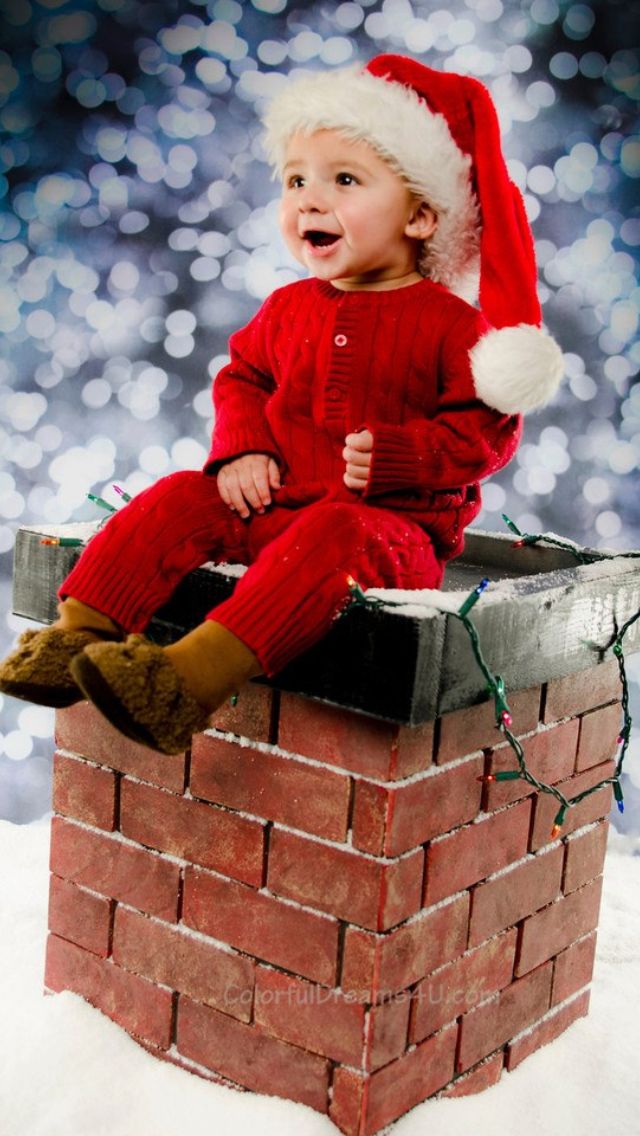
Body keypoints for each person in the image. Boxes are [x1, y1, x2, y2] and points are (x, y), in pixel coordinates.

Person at [0, 54, 564, 754]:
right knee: (182, 494)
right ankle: (78, 634)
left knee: (334, 533)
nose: (308, 200)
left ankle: (187, 680)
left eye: (344, 180)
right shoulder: (287, 307)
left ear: (421, 216)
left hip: (386, 536)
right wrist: (242, 449)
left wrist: (402, 457)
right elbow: (244, 378)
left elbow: (487, 434)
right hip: (274, 506)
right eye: (296, 180)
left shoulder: (452, 325)